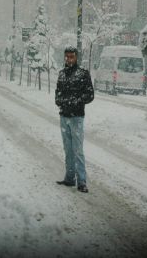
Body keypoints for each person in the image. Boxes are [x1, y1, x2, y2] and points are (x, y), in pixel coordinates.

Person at [55, 46, 94, 193]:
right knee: (68, 149)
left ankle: (82, 181)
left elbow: (90, 95)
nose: (69, 59)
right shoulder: (62, 74)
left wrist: (75, 101)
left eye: (71, 56)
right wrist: (60, 101)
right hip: (64, 116)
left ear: (76, 57)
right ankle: (70, 177)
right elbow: (57, 94)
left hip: (77, 117)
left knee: (78, 150)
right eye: (67, 56)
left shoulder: (83, 74)